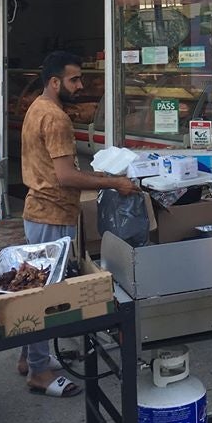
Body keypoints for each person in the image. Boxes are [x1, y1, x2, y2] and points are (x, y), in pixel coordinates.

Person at [18, 50, 139, 397]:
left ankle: (29, 357)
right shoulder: (55, 118)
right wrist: (114, 182)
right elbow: (66, 176)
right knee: (47, 293)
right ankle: (39, 372)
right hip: (52, 214)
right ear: (55, 82)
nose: (80, 85)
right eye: (74, 79)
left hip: (38, 210)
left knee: (35, 287)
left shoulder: (36, 108)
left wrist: (99, 174)